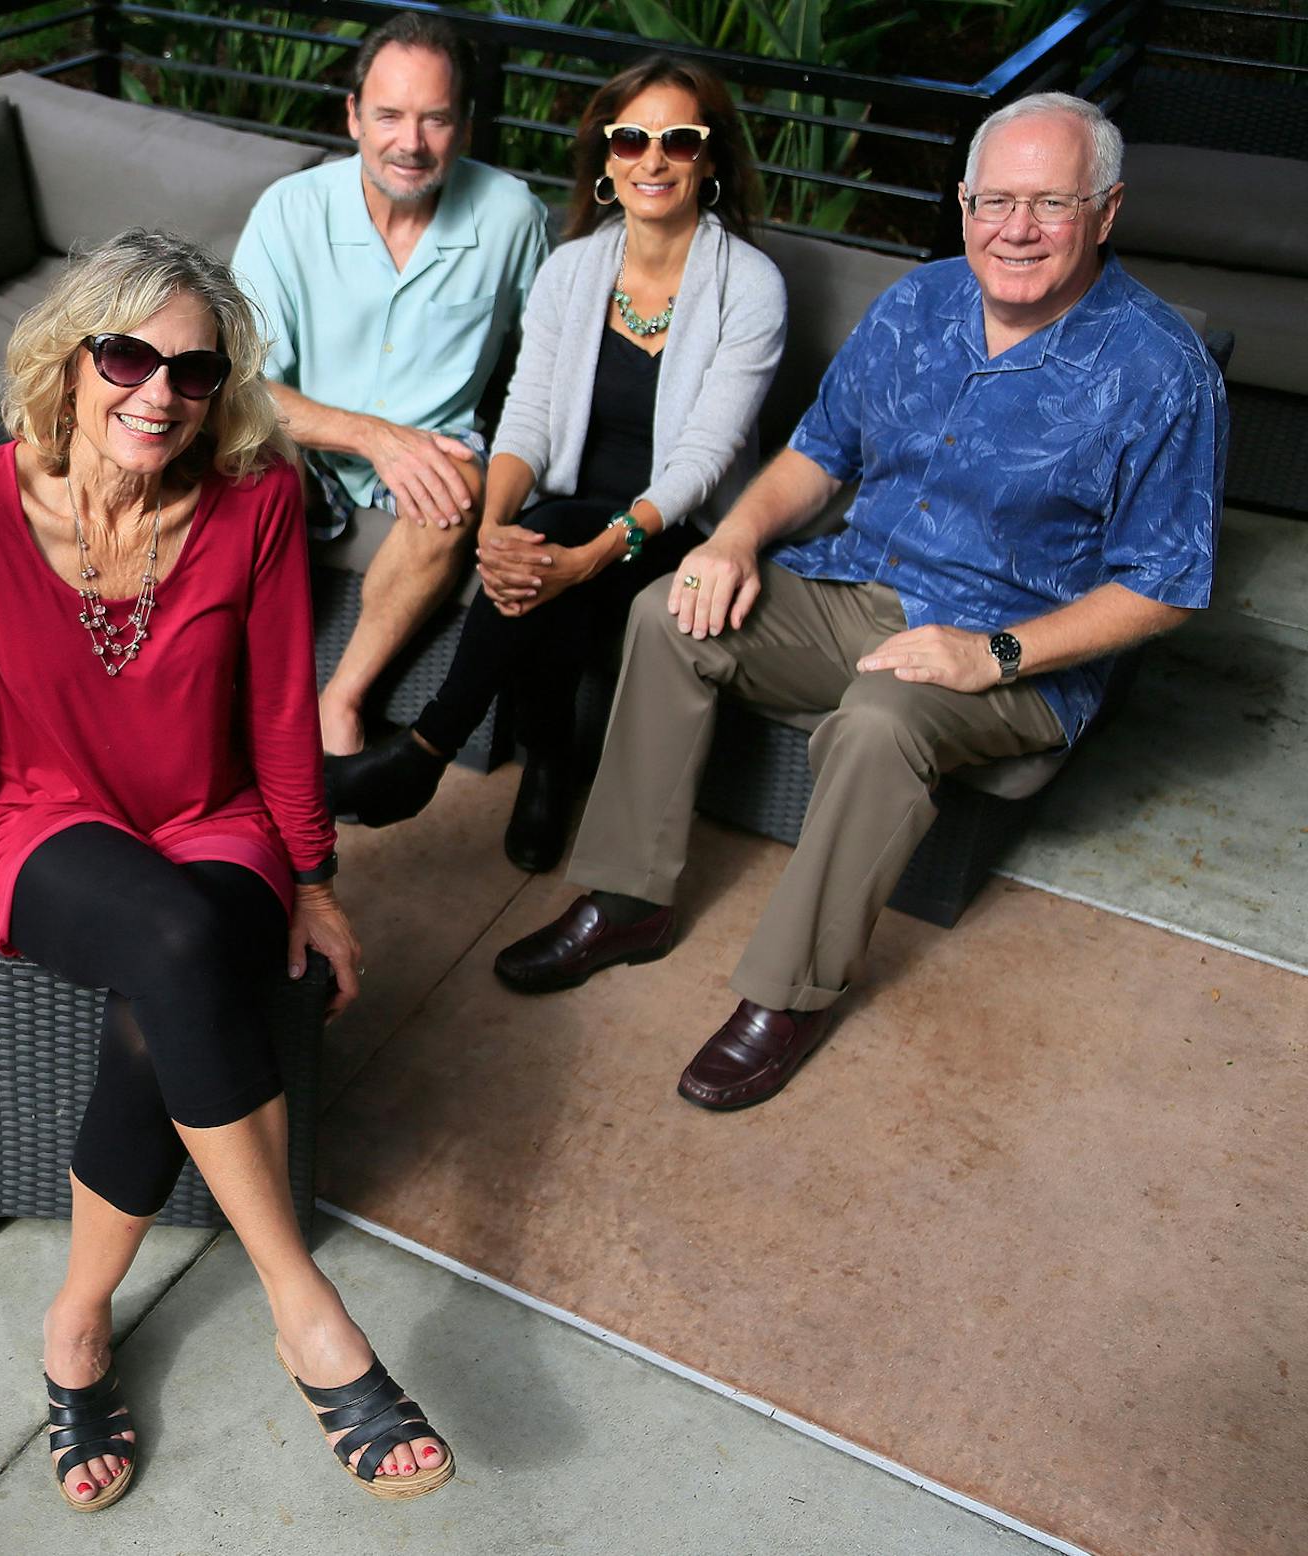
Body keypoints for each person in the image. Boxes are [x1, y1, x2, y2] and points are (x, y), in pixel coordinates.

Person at [493, 92, 1226, 1110]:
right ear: (965, 202)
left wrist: (993, 654)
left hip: (1014, 645)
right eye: (996, 201)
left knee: (882, 720)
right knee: (668, 610)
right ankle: (625, 896)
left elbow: (1168, 584)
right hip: (853, 587)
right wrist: (739, 538)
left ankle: (787, 995)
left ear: (1104, 212)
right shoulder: (919, 304)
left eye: (1050, 205)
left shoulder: (1160, 371)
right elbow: (817, 453)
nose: (1016, 230)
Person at [0, 231, 453, 1508]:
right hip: (44, 824)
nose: (159, 392)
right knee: (170, 943)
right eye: (128, 355)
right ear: (70, 359)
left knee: (178, 964)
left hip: (217, 822)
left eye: (194, 371)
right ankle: (301, 1300)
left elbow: (278, 713)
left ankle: (79, 1316)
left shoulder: (254, 503)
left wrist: (312, 875)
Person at [325, 55, 787, 871]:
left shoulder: (749, 286)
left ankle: (429, 752)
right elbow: (527, 421)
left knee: (560, 544)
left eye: (679, 141)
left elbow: (702, 461)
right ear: (607, 156)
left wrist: (589, 555)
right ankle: (547, 763)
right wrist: (493, 529)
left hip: (675, 528)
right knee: (539, 547)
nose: (653, 159)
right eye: (633, 138)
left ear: (709, 159)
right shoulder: (572, 269)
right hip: (566, 517)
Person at [231, 9, 549, 757]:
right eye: (390, 116)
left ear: (465, 126)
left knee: (455, 490)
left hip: (438, 448)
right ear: (353, 117)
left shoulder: (512, 217)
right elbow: (239, 382)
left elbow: (549, 366)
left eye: (435, 119)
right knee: (239, 462)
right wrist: (376, 439)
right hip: (307, 439)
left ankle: (339, 700)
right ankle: (223, 686)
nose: (410, 142)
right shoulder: (290, 209)